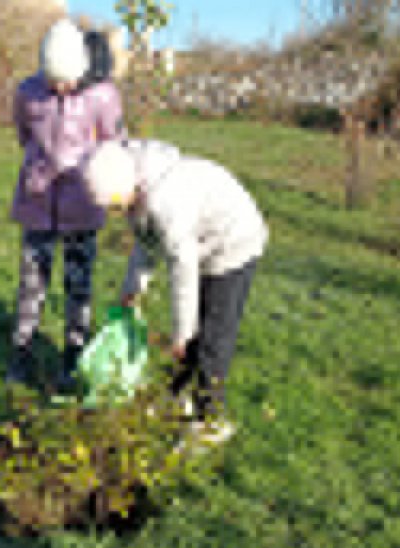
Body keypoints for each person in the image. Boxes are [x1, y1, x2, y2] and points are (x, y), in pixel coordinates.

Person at [82, 139, 268, 445]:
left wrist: (182, 333)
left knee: (213, 338)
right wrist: (132, 290)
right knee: (192, 336)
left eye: (115, 206)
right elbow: (146, 243)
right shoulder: (134, 184)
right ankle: (176, 397)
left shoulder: (166, 201)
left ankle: (211, 421)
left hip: (233, 242)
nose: (116, 213)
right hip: (201, 243)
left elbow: (183, 270)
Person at [7, 18, 125, 392]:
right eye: (53, 80)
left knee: (79, 284)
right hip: (38, 201)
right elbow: (23, 134)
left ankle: (74, 352)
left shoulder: (103, 95)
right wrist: (38, 167)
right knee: (31, 283)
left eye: (68, 80)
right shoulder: (27, 92)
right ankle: (21, 350)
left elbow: (114, 145)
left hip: (82, 204)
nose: (60, 87)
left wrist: (94, 175)